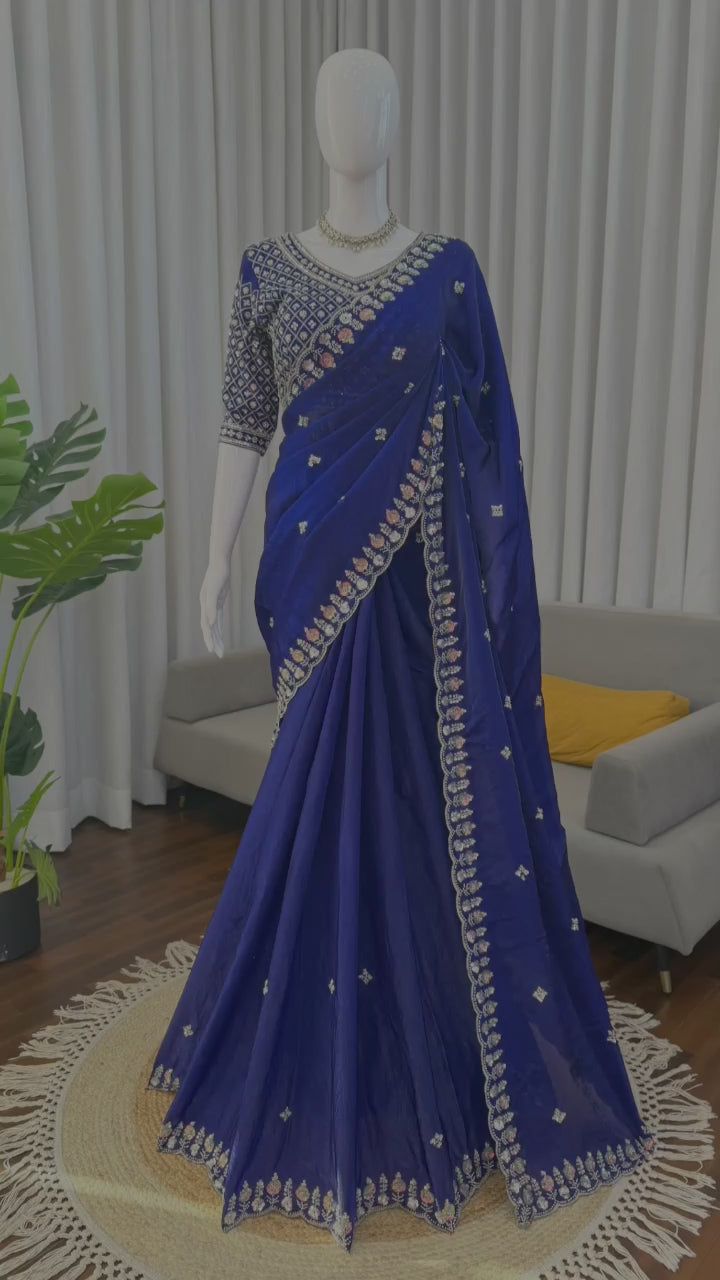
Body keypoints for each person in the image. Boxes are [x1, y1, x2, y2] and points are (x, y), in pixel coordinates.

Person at [147, 49, 654, 1252]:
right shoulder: (265, 269)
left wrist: (483, 590)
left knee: (421, 813)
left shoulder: (448, 271)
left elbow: (488, 450)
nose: (354, 118)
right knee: (312, 791)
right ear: (314, 120)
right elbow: (243, 425)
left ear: (396, 120)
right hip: (311, 567)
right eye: (337, 98)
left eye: (371, 100)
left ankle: (440, 1051)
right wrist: (214, 558)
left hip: (418, 603)